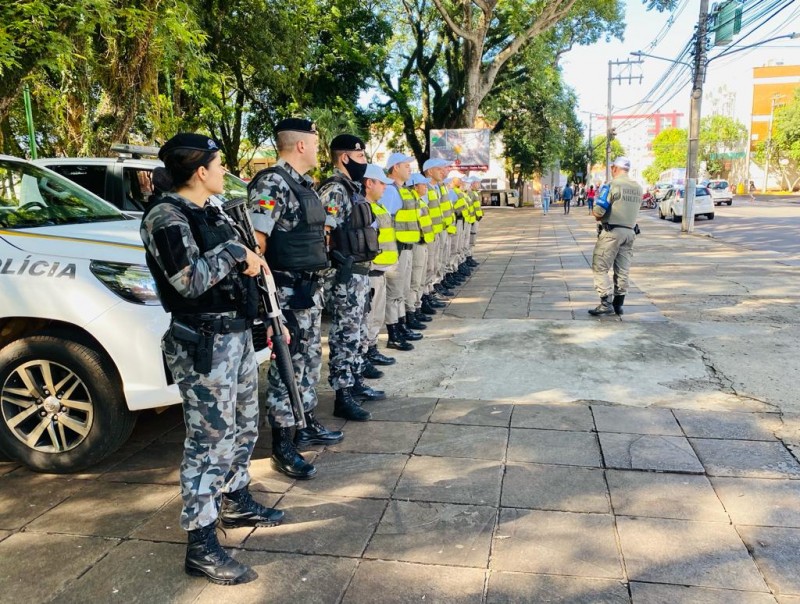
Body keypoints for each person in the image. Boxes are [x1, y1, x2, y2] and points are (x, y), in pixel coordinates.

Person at [141, 133, 283, 586]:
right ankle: (200, 545)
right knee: (208, 442)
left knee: (243, 425)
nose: (226, 172)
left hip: (235, 338)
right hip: (204, 345)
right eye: (220, 165)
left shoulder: (211, 210)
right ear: (201, 171)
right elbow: (187, 280)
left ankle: (236, 499)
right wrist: (234, 253)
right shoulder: (166, 216)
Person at [248, 118, 343, 481]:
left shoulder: (303, 183)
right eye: (316, 142)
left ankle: (304, 422)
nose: (319, 149)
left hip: (308, 291)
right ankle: (282, 445)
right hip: (286, 294)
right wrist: (269, 298)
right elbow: (258, 243)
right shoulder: (272, 182)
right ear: (301, 145)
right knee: (287, 368)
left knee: (307, 364)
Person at [318, 133, 383, 420]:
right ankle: (342, 395)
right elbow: (324, 234)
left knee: (355, 333)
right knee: (344, 335)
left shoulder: (352, 188)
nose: (364, 162)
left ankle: (355, 382)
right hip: (344, 275)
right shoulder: (335, 190)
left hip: (358, 274)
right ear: (344, 157)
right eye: (360, 157)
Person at [588, 156, 643, 317]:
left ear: (614, 168)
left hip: (611, 233)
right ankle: (619, 304)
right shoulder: (638, 188)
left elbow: (598, 211)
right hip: (630, 233)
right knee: (622, 269)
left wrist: (597, 215)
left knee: (600, 267)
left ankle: (606, 303)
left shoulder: (612, 185)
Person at [363, 163, 400, 371]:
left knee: (377, 315)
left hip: (382, 269)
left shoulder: (377, 206)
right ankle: (366, 354)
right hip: (371, 270)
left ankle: (372, 348)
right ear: (369, 183)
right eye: (381, 183)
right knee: (369, 317)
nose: (385, 188)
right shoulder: (364, 209)